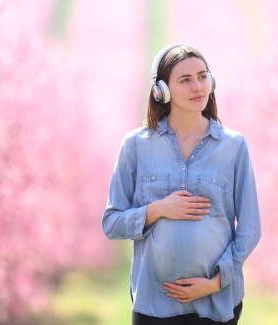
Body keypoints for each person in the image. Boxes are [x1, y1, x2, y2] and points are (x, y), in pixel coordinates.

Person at [102, 43, 262, 325]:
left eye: (202, 77)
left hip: (217, 302)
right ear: (161, 91)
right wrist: (159, 209)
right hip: (154, 303)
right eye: (185, 80)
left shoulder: (234, 146)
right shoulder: (135, 146)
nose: (197, 87)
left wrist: (216, 281)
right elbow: (112, 223)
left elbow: (250, 229)